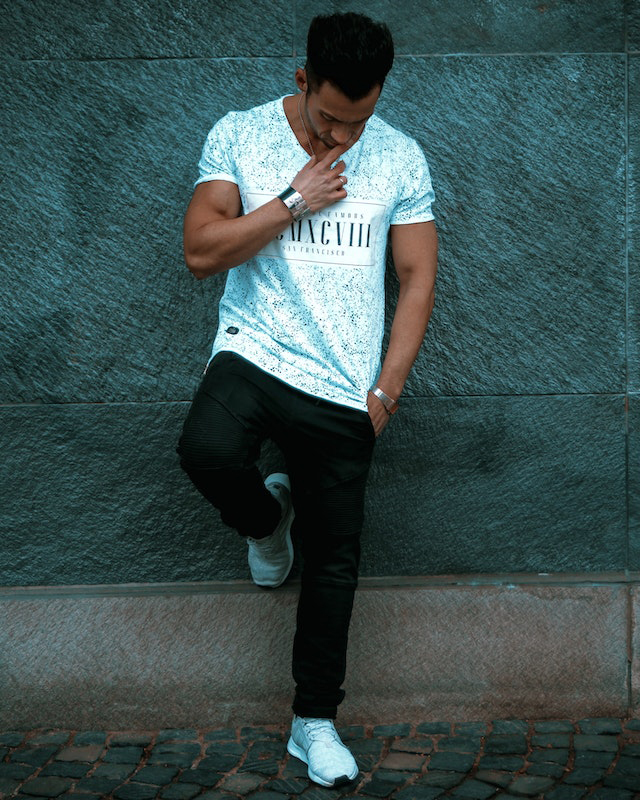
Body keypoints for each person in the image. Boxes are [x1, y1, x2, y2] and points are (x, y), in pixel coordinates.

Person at [177, 11, 438, 788]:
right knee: (207, 452)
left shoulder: (400, 156)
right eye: (329, 119)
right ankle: (265, 522)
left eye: (357, 122)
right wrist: (293, 198)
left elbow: (417, 276)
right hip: (254, 352)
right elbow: (199, 249)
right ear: (302, 82)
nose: (343, 138)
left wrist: (385, 389)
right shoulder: (241, 134)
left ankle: (313, 724)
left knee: (334, 565)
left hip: (344, 382)